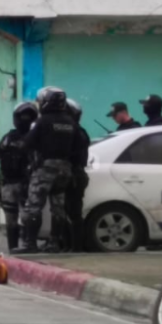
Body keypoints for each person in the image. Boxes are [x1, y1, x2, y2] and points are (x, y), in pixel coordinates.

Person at [19, 86, 82, 254]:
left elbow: (27, 143)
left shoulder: (43, 121)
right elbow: (80, 144)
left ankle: (30, 244)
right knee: (58, 207)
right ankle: (54, 243)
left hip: (45, 169)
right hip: (65, 169)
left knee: (34, 206)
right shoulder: (70, 122)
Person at [0, 102, 38, 254]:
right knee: (24, 216)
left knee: (13, 217)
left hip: (15, 183)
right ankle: (23, 246)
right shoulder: (33, 137)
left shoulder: (10, 137)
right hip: (24, 183)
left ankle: (15, 248)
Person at [65, 99, 91, 253]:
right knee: (71, 211)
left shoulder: (73, 132)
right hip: (77, 173)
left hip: (74, 174)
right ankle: (70, 245)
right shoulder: (80, 131)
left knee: (73, 212)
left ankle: (76, 247)